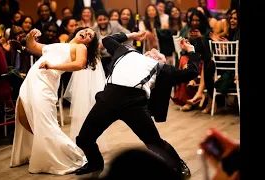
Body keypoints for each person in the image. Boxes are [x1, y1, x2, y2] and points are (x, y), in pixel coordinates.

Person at [74, 31, 201, 179]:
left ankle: (178, 164)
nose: (154, 51)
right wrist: (133, 35)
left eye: (159, 54)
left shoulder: (162, 69)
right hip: (108, 98)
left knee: (154, 143)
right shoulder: (126, 52)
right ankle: (95, 163)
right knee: (83, 139)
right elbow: (108, 39)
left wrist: (191, 51)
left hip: (134, 103)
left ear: (162, 61)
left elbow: (191, 71)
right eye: (152, 51)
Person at [10, 26, 100, 175]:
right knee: (22, 114)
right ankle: (39, 149)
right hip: (32, 81)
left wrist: (53, 66)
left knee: (45, 122)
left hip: (45, 83)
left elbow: (79, 64)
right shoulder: (60, 44)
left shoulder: (81, 48)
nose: (86, 33)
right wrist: (32, 36)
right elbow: (32, 46)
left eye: (90, 35)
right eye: (86, 30)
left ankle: (62, 155)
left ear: (90, 43)